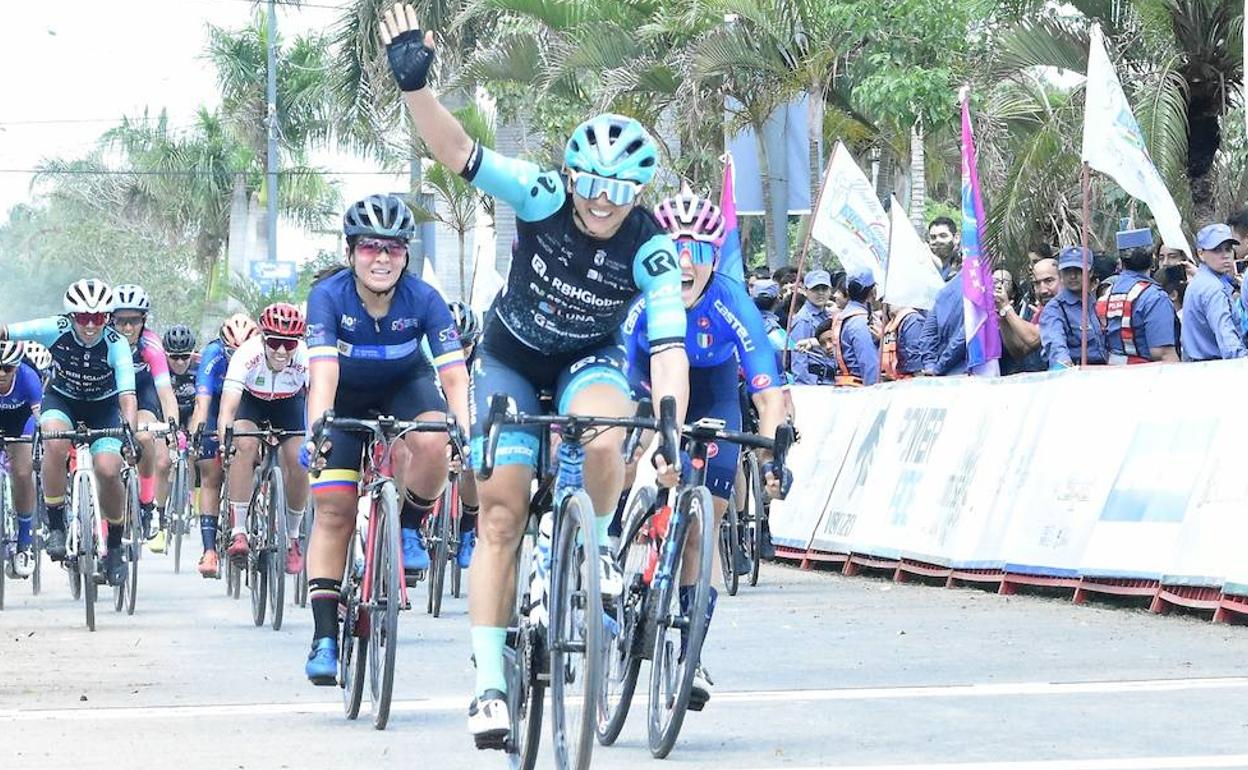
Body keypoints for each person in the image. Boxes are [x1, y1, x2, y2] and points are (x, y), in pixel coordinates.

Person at [377, 4, 690, 747]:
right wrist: (417, 90)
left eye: (619, 191)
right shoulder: (542, 195)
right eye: (592, 184)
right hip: (512, 359)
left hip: (590, 360)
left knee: (610, 434)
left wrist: (671, 423)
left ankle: (602, 549)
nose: (602, 201)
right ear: (572, 176)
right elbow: (460, 152)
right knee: (500, 515)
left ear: (639, 192)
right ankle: (488, 683)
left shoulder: (653, 249)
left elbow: (669, 346)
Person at [625, 190, 790, 707]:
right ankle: (613, 550)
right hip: (648, 377)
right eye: (676, 249)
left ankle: (691, 650)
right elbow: (618, 366)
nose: (686, 263)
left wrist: (770, 457)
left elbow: (766, 389)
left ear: (714, 259)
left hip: (715, 387)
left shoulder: (731, 298)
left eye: (699, 252)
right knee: (629, 454)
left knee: (704, 521)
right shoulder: (646, 296)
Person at [302, 192, 471, 688]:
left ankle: (409, 526)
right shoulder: (329, 297)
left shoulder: (424, 299)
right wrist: (319, 427)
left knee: (436, 438)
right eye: (370, 247)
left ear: (406, 255)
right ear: (351, 252)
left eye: (393, 249)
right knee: (333, 508)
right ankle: (325, 637)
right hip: (345, 395)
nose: (381, 259)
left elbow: (454, 376)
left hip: (405, 384)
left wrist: (463, 426)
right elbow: (324, 372)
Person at [1, 279, 138, 586]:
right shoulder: (56, 327)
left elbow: (128, 396)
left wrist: (128, 433)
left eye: (98, 318)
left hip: (104, 408)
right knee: (54, 439)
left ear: (108, 317)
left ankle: (114, 544)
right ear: (72, 317)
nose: (90, 325)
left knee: (108, 469)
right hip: (62, 400)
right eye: (83, 318)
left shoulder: (117, 344)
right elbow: (9, 331)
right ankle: (55, 524)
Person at [218, 303, 310, 574]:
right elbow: (228, 407)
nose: (282, 351)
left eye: (289, 344)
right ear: (263, 338)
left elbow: (317, 399)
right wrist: (226, 440)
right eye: (275, 342)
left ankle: (292, 537)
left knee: (300, 458)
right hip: (252, 403)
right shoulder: (247, 354)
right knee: (243, 445)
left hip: (289, 404)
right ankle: (239, 531)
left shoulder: (305, 357)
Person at [110, 284, 179, 544]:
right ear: (111, 320)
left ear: (144, 321)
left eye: (134, 321)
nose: (128, 328)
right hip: (111, 394)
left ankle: (147, 502)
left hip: (142, 393)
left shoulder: (151, 345)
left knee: (144, 434)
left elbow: (165, 392)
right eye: (121, 321)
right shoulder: (105, 341)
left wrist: (172, 428)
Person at [191, 314, 258, 577]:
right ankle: (209, 551)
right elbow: (202, 400)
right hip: (217, 404)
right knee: (211, 473)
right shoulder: (213, 354)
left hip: (246, 404)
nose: (236, 356)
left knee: (251, 446)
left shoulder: (259, 357)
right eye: (232, 351)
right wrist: (199, 430)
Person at [1099, 241, 1179, 364]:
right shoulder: (1154, 297)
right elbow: (1164, 354)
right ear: (1152, 260)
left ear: (1121, 262)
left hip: (1112, 373)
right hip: (1147, 376)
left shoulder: (1107, 294)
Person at [0, 341, 41, 578]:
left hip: (22, 420)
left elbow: (40, 418)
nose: (1, 373)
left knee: (23, 472)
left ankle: (24, 542)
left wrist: (34, 440)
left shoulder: (28, 378)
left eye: (8, 368)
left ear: (17, 366)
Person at [446, 300, 481, 571]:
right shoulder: (428, 353)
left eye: (465, 346)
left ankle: (468, 528)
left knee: (470, 464)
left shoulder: (481, 360)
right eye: (454, 346)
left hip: (468, 405)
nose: (459, 353)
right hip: (437, 401)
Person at [1181, 223, 1247, 361]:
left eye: (1228, 249)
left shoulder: (1201, 281)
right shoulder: (1213, 289)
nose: (1225, 256)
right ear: (1201, 253)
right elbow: (1229, 345)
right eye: (1217, 250)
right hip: (1213, 369)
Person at [1038, 247, 1107, 368]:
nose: (1073, 276)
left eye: (1078, 270)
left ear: (1090, 272)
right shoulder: (1055, 309)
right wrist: (1064, 366)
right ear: (1060, 274)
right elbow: (1055, 345)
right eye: (1067, 271)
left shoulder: (1095, 303)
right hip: (1075, 374)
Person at [815, 269, 879, 386]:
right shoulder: (859, 321)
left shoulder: (843, 317)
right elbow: (869, 364)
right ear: (873, 291)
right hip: (860, 387)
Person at [788, 269, 837, 385]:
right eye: (815, 289)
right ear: (805, 291)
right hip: (814, 383)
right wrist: (804, 388)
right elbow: (799, 358)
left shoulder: (829, 315)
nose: (820, 293)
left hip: (830, 380)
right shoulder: (803, 320)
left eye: (824, 288)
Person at [994, 268, 1043, 375]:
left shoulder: (1028, 307)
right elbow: (1019, 351)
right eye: (994, 281)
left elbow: (1032, 339)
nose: (998, 286)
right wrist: (1003, 315)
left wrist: (1006, 309)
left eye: (1002, 282)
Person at [921, 267, 967, 376]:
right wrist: (938, 368)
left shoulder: (946, 290)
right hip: (967, 371)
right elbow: (963, 337)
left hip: (944, 373)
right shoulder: (981, 287)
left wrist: (930, 365)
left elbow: (927, 333)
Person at [880, 300, 927, 381]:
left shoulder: (891, 325)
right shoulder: (913, 320)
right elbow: (915, 357)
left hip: (897, 374)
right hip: (912, 376)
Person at [163, 325, 199, 428]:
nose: (179, 362)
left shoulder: (201, 366)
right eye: (174, 357)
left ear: (192, 354)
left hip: (192, 411)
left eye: (185, 356)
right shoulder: (159, 368)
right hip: (165, 411)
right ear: (165, 355)